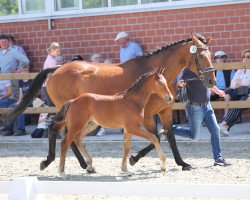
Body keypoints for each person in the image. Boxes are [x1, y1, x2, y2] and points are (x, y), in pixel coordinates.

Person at [174, 67, 231, 166]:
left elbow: (209, 83)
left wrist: (218, 91)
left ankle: (218, 158)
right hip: (194, 108)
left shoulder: (205, 69)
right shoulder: (188, 70)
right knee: (194, 136)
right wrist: (179, 84)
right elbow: (181, 82)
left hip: (207, 105)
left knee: (215, 130)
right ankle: (169, 129)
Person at [219, 49, 250, 137]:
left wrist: (240, 82)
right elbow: (232, 84)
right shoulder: (240, 69)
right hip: (240, 94)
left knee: (237, 105)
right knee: (237, 105)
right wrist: (242, 83)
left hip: (247, 94)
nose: (245, 59)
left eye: (248, 57)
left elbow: (248, 82)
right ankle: (225, 126)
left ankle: (224, 124)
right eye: (244, 57)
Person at [3, 66, 33, 136]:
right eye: (22, 70)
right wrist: (19, 100)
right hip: (22, 101)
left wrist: (22, 102)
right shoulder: (21, 81)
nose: (24, 72)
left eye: (25, 70)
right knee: (11, 107)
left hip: (31, 101)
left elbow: (33, 94)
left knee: (19, 107)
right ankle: (10, 129)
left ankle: (21, 129)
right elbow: (21, 94)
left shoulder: (32, 80)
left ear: (28, 71)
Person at [42, 42, 61, 106]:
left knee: (52, 105)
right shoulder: (51, 60)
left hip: (48, 85)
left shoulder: (52, 59)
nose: (59, 53)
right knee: (52, 105)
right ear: (52, 50)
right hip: (48, 86)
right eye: (57, 51)